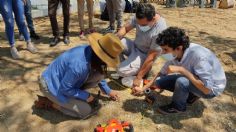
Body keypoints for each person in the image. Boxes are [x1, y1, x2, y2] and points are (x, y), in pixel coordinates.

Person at [132, 27, 227, 114]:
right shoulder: (173, 52)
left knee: (182, 82)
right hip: (196, 79)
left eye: (165, 49)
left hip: (212, 89)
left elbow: (207, 89)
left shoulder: (199, 57)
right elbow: (161, 73)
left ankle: (178, 107)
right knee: (160, 82)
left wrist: (182, 70)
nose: (163, 53)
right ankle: (191, 96)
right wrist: (142, 89)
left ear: (179, 48)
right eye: (162, 49)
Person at [35, 33, 124, 118]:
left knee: (98, 75)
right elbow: (65, 88)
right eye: (107, 60)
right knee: (85, 111)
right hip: (51, 86)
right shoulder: (79, 65)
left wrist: (108, 91)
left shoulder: (92, 53)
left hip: (64, 82)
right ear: (101, 57)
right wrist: (87, 96)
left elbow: (99, 73)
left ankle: (67, 99)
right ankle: (50, 102)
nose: (107, 63)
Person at [116, 3, 167, 87]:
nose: (139, 26)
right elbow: (125, 28)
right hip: (135, 46)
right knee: (116, 43)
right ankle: (128, 66)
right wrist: (115, 38)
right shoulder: (140, 15)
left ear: (153, 19)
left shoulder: (160, 30)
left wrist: (139, 77)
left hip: (145, 55)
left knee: (121, 71)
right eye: (138, 23)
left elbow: (151, 56)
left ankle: (144, 70)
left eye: (143, 25)